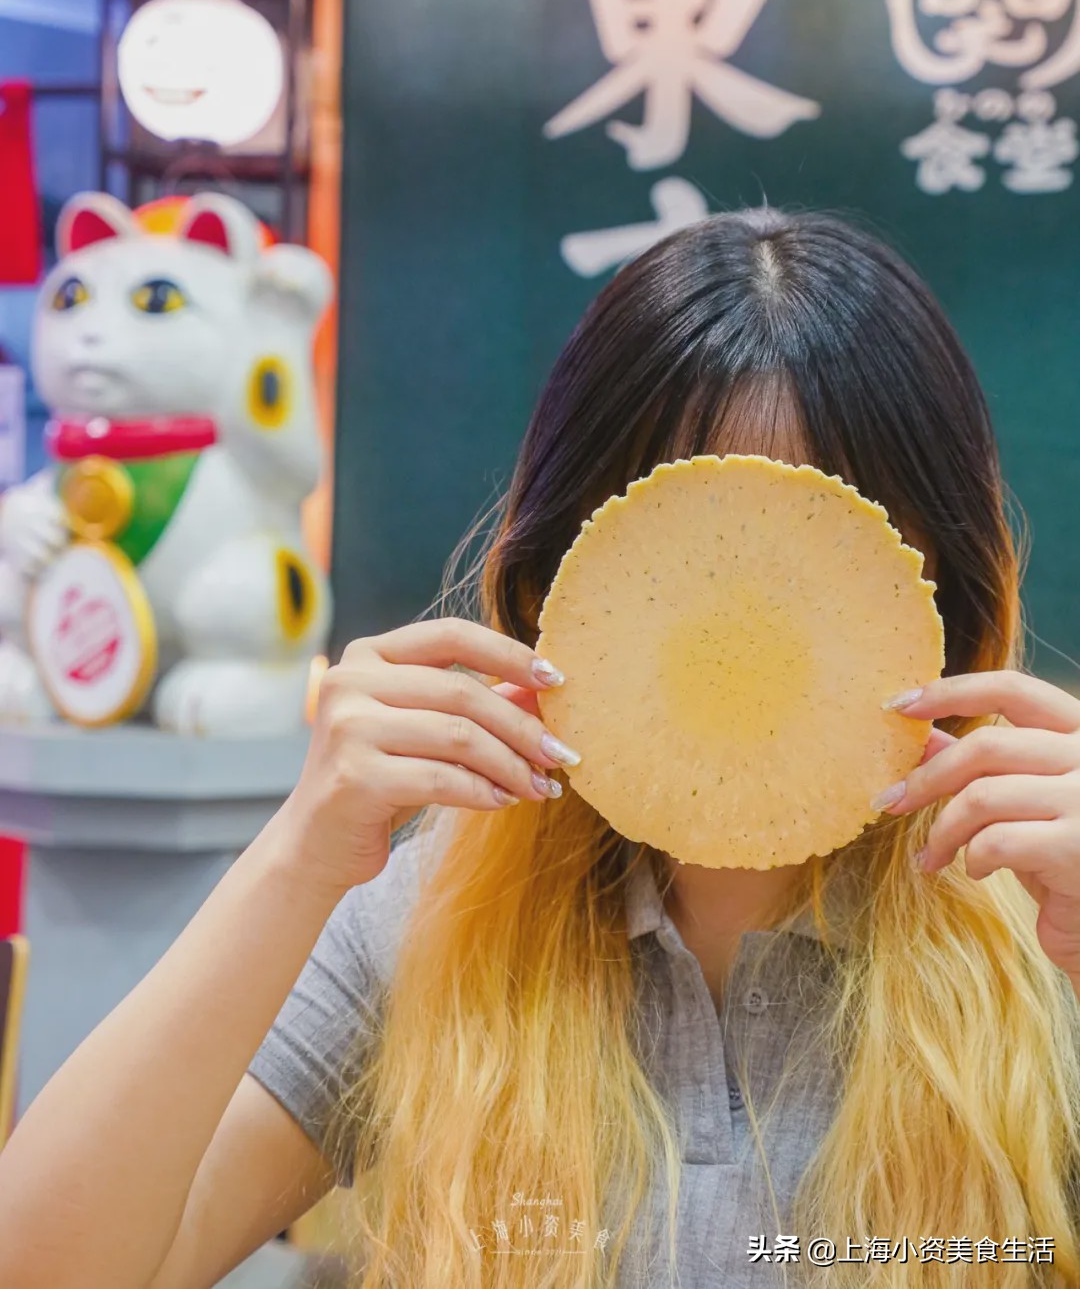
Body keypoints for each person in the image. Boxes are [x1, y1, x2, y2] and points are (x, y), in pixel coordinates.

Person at [2, 206, 1080, 1289]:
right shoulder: (433, 918)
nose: (742, 620)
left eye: (832, 553)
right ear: (546, 584)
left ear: (948, 598)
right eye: (679, 547)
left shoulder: (1044, 925)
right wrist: (296, 855)